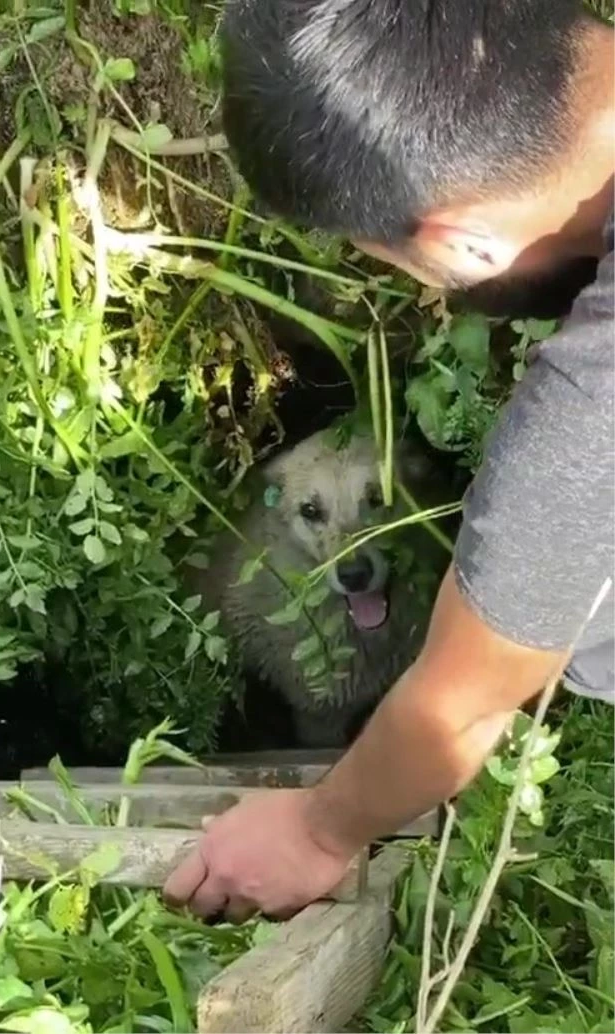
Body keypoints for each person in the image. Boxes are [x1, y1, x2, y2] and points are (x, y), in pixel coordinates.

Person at [162, 0, 614, 923]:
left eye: (389, 259)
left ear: (458, 244)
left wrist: (319, 831)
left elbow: (459, 709)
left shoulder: (584, 421)